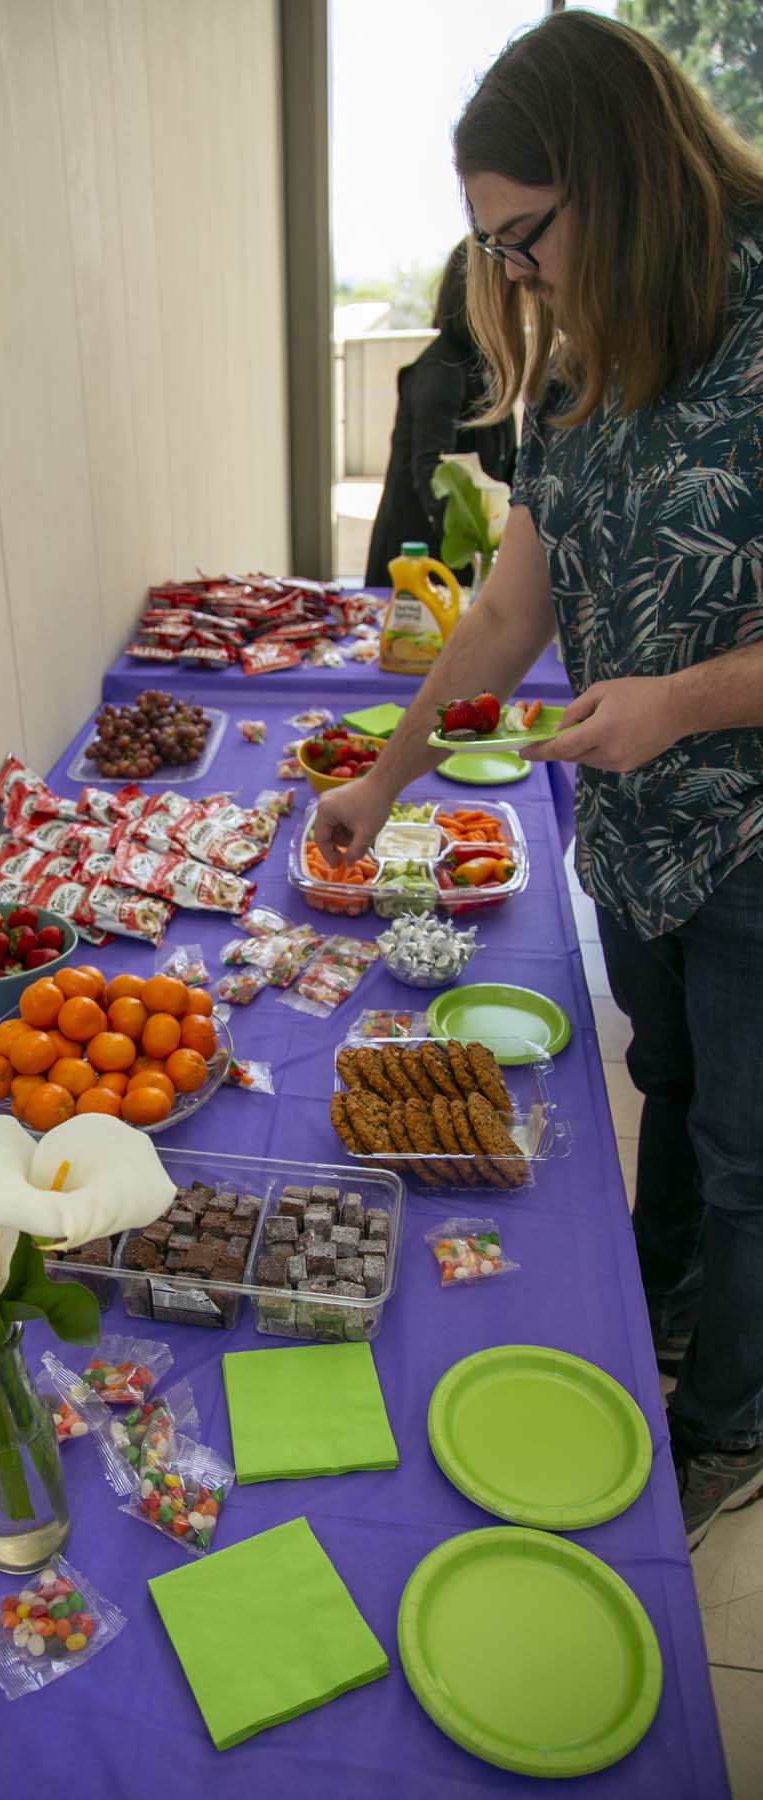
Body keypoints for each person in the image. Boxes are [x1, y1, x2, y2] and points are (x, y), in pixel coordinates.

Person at [316, 9, 763, 1550]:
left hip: (757, 836)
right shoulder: (586, 355)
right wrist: (384, 783)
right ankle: (662, 1330)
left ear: (622, 175)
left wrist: (687, 702)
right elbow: (515, 611)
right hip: (641, 839)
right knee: (676, 1086)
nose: (510, 275)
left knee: (747, 1152)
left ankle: (729, 1429)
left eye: (524, 236)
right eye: (488, 247)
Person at [364, 242, 517, 585]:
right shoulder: (443, 369)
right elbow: (430, 469)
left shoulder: (488, 366)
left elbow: (509, 467)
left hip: (454, 568)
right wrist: (479, 547)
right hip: (422, 567)